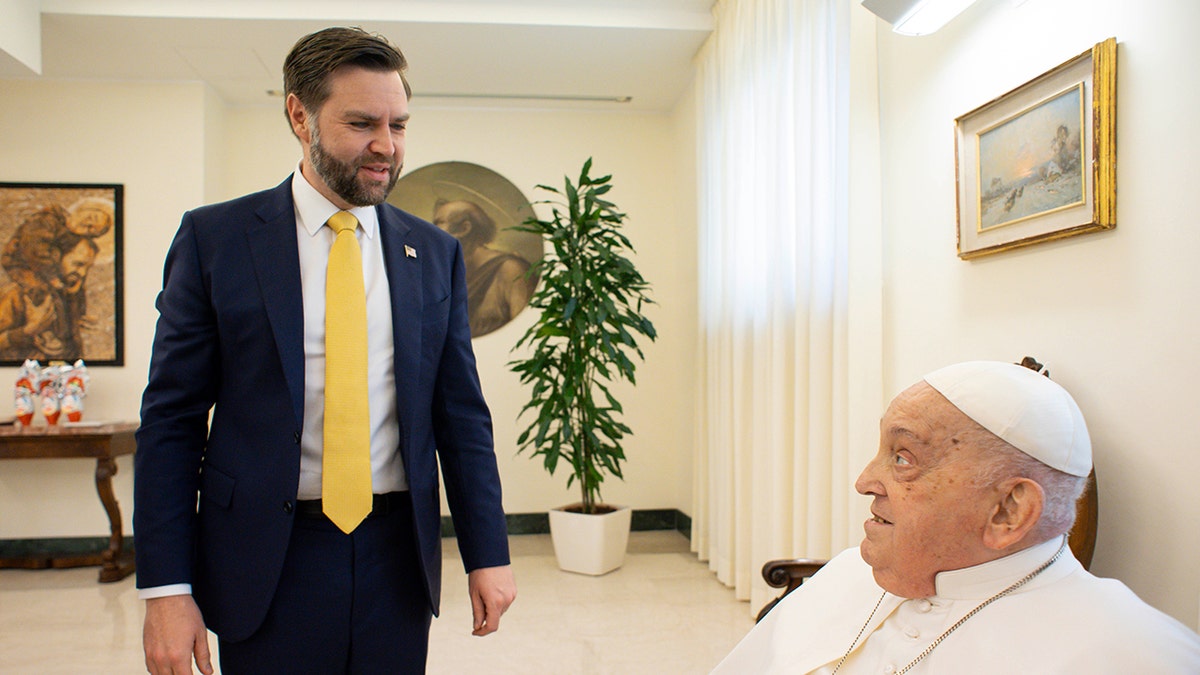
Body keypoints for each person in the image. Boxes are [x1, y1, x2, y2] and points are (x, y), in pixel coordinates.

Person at [134, 27, 515, 675]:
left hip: (398, 555)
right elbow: (171, 421)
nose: (386, 146)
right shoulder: (216, 239)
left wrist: (488, 552)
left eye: (398, 125)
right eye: (362, 123)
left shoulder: (434, 253)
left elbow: (461, 416)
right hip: (264, 557)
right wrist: (166, 588)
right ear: (299, 115)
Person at [714, 360, 1200, 673]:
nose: (864, 480)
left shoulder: (1138, 655)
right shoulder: (845, 573)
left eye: (902, 457)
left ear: (1008, 511)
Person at [431, 199, 535, 336]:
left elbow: (527, 332)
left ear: (464, 229)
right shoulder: (445, 275)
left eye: (439, 223)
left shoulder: (511, 270)